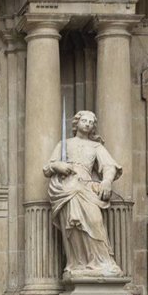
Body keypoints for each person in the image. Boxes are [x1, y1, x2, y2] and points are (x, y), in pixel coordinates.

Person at [43, 110, 124, 279]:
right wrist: (58, 166)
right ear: (76, 123)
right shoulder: (65, 144)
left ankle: (102, 263)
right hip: (67, 188)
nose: (87, 124)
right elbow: (47, 167)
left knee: (95, 222)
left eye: (91, 122)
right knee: (73, 227)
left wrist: (107, 181)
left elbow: (109, 166)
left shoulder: (96, 146)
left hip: (86, 187)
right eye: (84, 120)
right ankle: (77, 264)